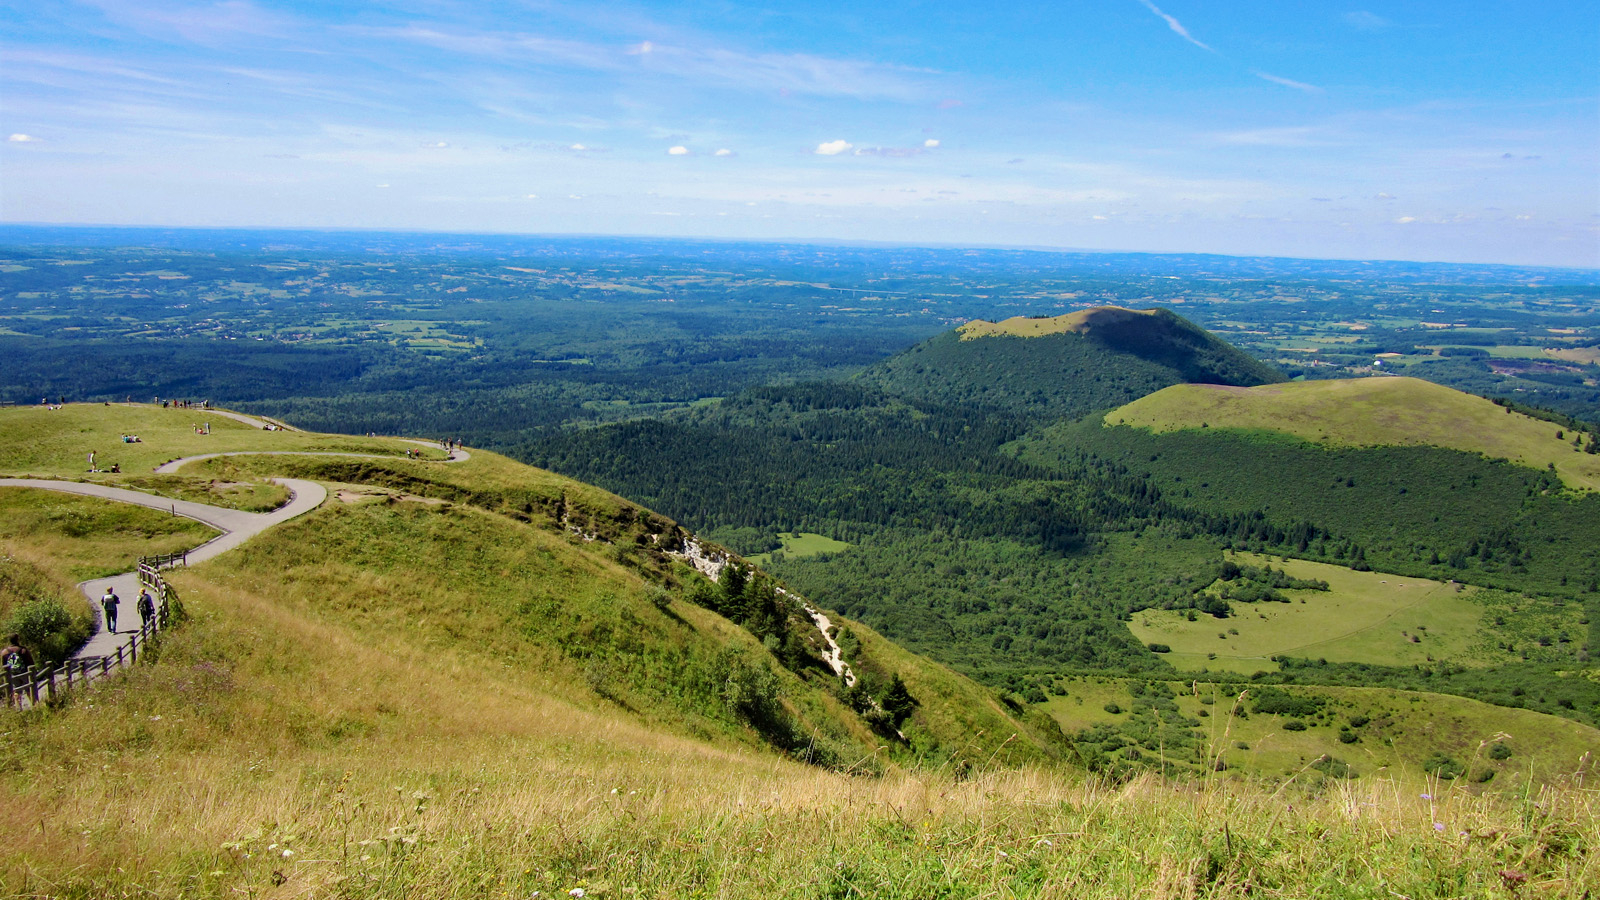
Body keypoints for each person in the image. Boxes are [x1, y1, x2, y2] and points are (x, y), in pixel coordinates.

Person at [2, 634, 33, 706]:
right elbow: (30, 662)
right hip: (24, 673)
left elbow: (4, 666)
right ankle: (34, 704)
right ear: (17, 640)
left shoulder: (5, 652)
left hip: (12, 674)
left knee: (16, 691)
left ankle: (18, 707)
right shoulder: (23, 650)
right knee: (29, 689)